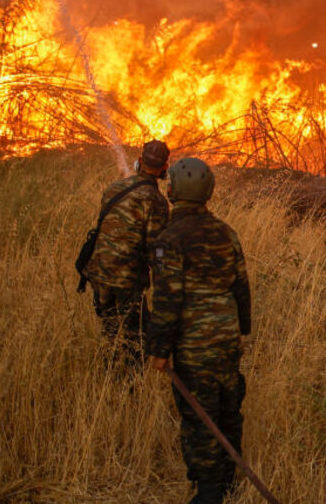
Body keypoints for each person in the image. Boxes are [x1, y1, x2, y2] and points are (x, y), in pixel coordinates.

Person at [148, 157, 252, 504]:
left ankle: (209, 493)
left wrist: (160, 350)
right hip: (227, 336)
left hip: (194, 344)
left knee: (199, 417)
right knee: (227, 409)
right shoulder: (227, 231)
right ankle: (229, 480)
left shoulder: (170, 238)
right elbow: (241, 286)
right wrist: (242, 328)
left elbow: (167, 300)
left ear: (173, 189)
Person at [83, 140, 170, 370]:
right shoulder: (156, 202)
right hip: (126, 279)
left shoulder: (114, 188)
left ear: (139, 162)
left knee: (110, 331)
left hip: (98, 271)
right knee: (137, 339)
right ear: (164, 169)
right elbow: (156, 249)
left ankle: (106, 375)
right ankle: (129, 389)